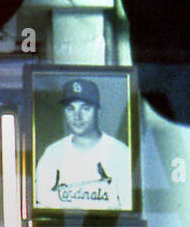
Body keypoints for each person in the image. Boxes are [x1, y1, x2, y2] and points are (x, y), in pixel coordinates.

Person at [35, 78, 131, 209]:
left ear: (98, 110)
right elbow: (41, 208)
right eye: (71, 109)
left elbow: (128, 213)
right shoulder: (52, 153)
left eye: (85, 108)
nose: (77, 116)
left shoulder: (120, 153)